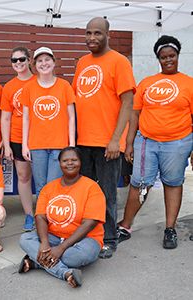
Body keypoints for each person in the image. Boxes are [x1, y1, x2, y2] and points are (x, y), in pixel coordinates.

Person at [117, 35, 193, 249]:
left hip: (178, 143)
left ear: (178, 55)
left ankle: (170, 229)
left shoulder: (189, 83)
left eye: (172, 55)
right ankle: (125, 225)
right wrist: (129, 143)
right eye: (163, 57)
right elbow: (135, 115)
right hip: (147, 142)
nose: (168, 60)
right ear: (158, 59)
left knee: (173, 183)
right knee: (139, 183)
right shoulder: (147, 83)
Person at [72, 17, 136, 258]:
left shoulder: (119, 62)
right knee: (87, 192)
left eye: (97, 33)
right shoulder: (82, 62)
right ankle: (90, 234)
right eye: (88, 33)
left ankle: (109, 237)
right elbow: (79, 99)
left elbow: (127, 102)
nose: (92, 38)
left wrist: (115, 139)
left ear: (108, 34)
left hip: (108, 143)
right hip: (84, 141)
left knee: (107, 192)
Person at [19, 147, 106, 288]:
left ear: (80, 162)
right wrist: (45, 242)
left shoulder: (91, 187)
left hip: (86, 239)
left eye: (74, 160)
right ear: (59, 163)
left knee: (71, 257)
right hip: (54, 237)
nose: (70, 163)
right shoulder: (49, 188)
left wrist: (61, 248)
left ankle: (36, 262)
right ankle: (65, 273)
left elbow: (89, 223)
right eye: (65, 160)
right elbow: (40, 217)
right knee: (25, 239)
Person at [22, 46, 76, 199]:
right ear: (35, 65)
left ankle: (54, 221)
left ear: (53, 63)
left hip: (59, 145)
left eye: (47, 60)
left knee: (54, 185)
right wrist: (25, 144)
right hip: (37, 145)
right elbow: (25, 118)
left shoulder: (64, 86)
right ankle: (42, 221)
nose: (43, 63)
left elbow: (71, 117)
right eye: (39, 61)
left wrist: (71, 144)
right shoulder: (29, 88)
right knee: (40, 187)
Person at [1, 46, 36, 231]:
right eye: (14, 60)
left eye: (22, 59)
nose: (18, 63)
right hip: (16, 138)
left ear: (29, 60)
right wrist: (6, 144)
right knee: (23, 177)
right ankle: (29, 215)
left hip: (40, 138)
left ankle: (46, 214)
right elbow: (5, 117)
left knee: (45, 177)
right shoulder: (9, 87)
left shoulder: (40, 81)